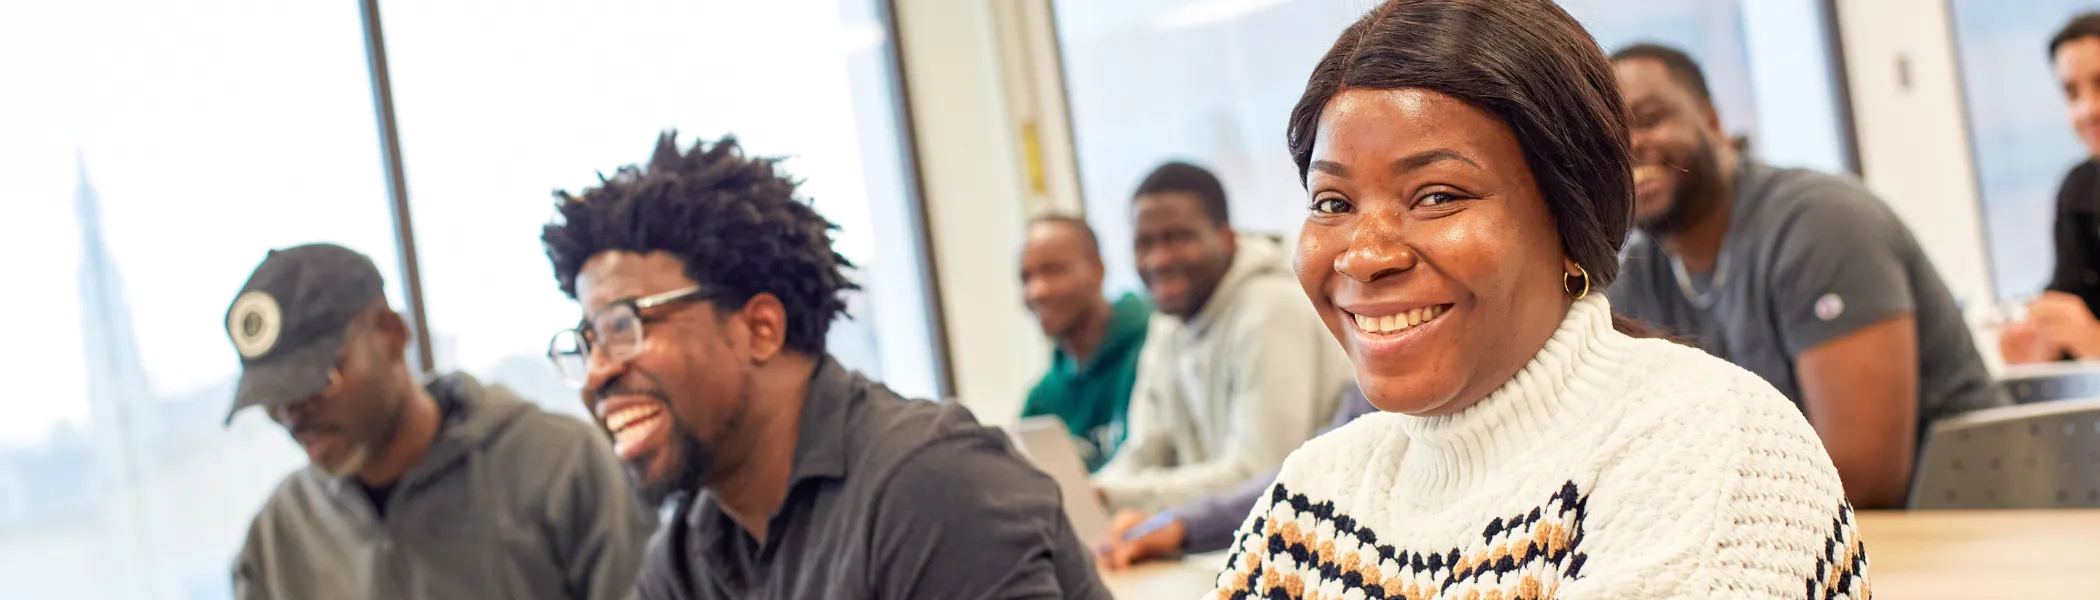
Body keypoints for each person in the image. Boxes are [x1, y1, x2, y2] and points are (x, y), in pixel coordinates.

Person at [1214, 1, 1870, 598]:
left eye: (1438, 196)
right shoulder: (1317, 489)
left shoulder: (1712, 446)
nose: (1364, 254)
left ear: (1568, 221)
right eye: (1332, 203)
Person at [540, 133, 1111, 600]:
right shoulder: (688, 552)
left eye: (622, 326)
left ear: (760, 328)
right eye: (588, 340)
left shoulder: (931, 486)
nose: (595, 373)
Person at [1606, 43, 2006, 509]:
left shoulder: (1821, 223)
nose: (1631, 145)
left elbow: (1863, 479)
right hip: (1809, 551)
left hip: (1960, 527)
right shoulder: (1634, 275)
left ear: (1712, 120)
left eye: (1651, 119)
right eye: (1609, 139)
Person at [225, 243, 654, 600]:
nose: (292, 414)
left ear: (392, 334)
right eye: (273, 399)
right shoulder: (275, 541)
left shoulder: (559, 466)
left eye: (317, 381)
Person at [1089, 161, 1354, 513]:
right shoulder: (1167, 324)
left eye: (1178, 238)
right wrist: (1090, 492)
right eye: (1144, 243)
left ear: (1227, 238)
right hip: (1217, 536)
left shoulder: (1271, 308)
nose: (1159, 259)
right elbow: (1144, 451)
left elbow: (1258, 475)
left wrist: (1113, 496)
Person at [1094, 384, 1375, 570]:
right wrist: (1177, 524)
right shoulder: (1166, 328)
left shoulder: (1268, 316)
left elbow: (1284, 477)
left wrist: (1180, 523)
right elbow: (1315, 468)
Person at [1018, 215, 1151, 471]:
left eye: (1052, 270)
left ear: (1098, 270)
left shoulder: (1152, 347)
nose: (1037, 290)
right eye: (1026, 277)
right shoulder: (1041, 402)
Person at [2004, 13, 2100, 364]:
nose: (2088, 109)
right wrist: (2040, 348)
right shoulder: (2078, 191)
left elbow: (2087, 336)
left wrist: (2092, 340)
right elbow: (2067, 300)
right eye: (2072, 92)